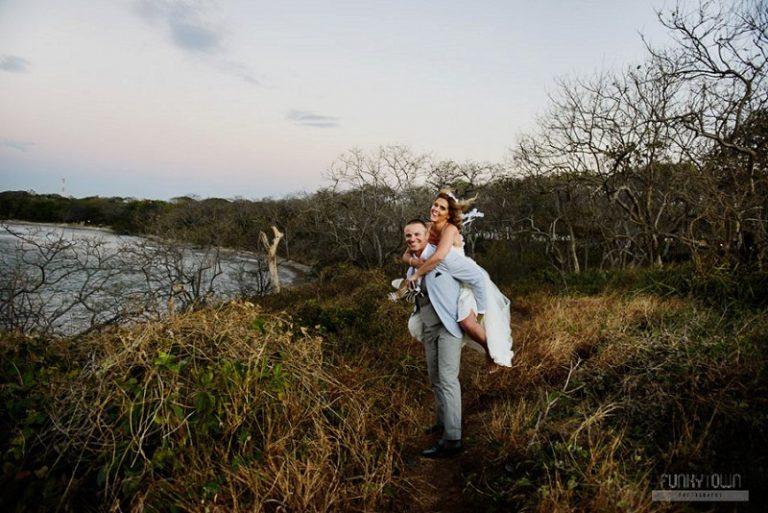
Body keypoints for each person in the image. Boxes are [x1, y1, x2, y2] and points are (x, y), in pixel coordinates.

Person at [400, 218, 488, 458]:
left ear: (427, 234)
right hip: (429, 328)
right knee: (435, 377)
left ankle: (453, 439)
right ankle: (442, 422)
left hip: (448, 327)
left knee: (448, 379)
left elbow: (477, 278)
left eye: (417, 234)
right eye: (408, 236)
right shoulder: (413, 265)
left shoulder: (445, 257)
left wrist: (480, 311)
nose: (413, 239)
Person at [406, 189, 514, 372]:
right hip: (441, 281)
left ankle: (490, 352)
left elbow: (439, 256)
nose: (436, 210)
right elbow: (406, 253)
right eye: (435, 205)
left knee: (466, 322)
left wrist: (417, 274)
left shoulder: (450, 229)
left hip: (461, 280)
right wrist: (415, 262)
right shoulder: (426, 227)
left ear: (449, 214)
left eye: (442, 208)